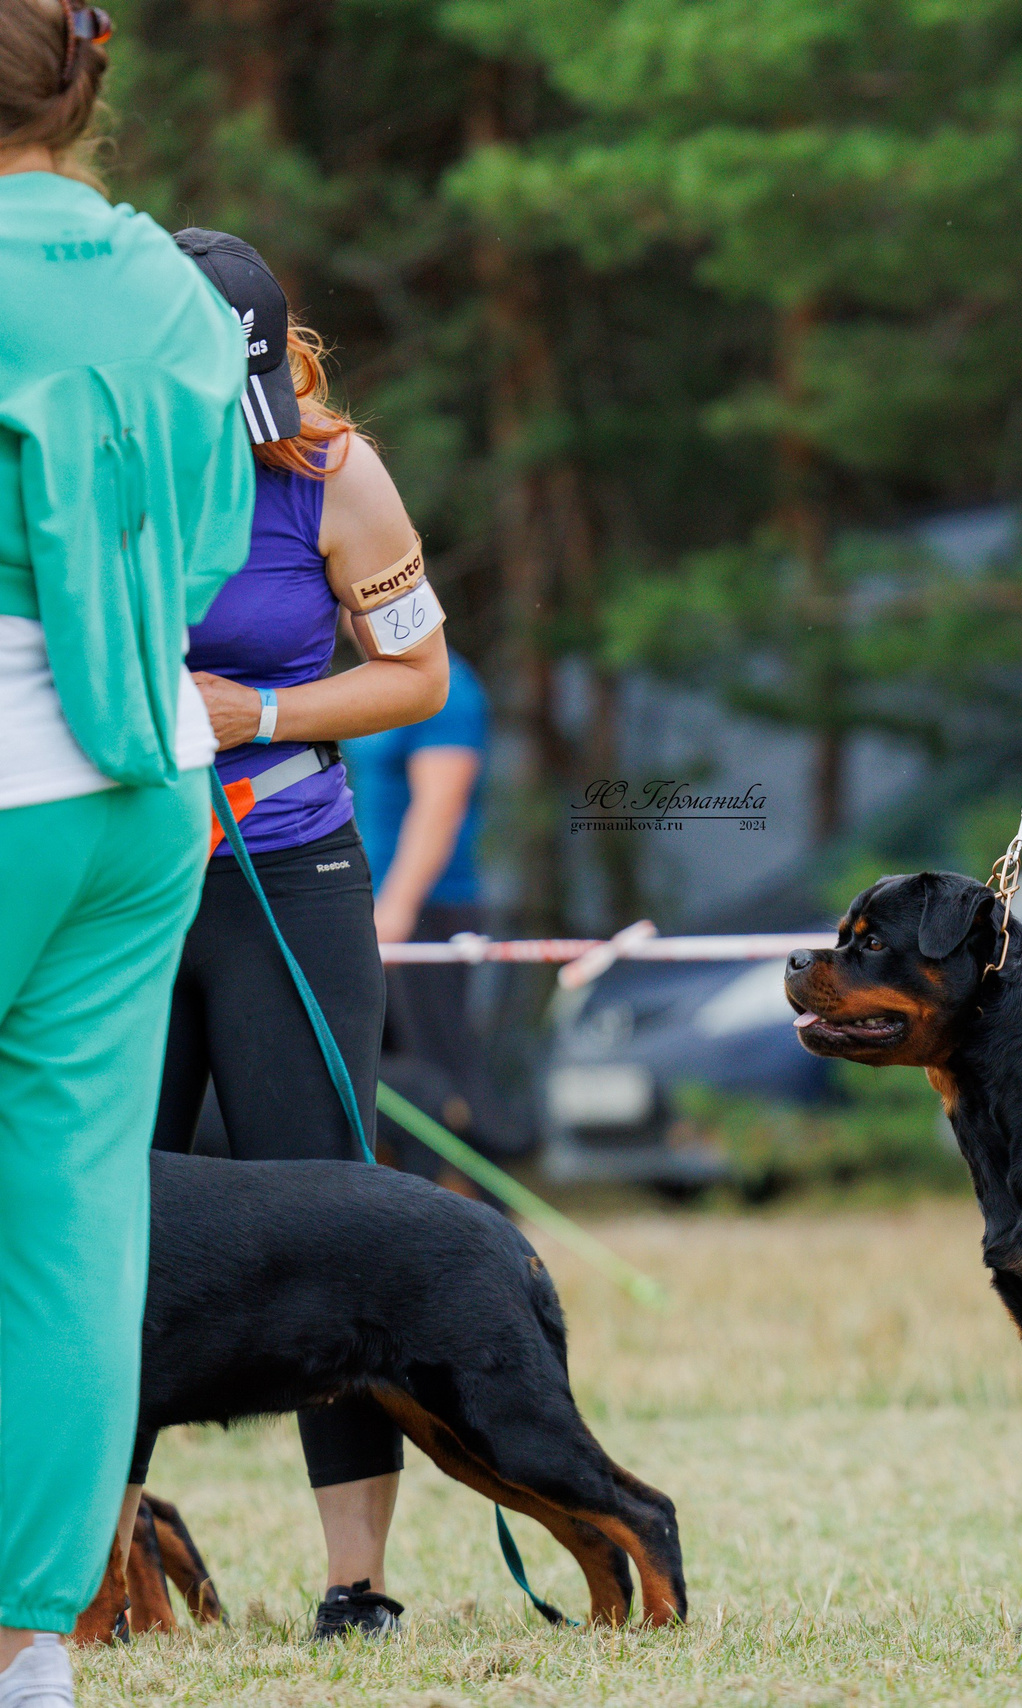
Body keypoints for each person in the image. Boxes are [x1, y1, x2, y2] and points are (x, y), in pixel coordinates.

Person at [134, 230, 447, 1643]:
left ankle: (356, 1582)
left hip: (288, 867)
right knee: (99, 1211)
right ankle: (88, 1571)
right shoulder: (70, 461)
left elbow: (416, 676)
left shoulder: (331, 472)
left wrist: (257, 714)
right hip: (118, 885)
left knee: (330, 1203)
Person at [0, 5, 254, 1699]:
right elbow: (220, 532)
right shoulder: (170, 273)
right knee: (73, 1218)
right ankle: (34, 1645)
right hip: (150, 771)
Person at [348, 648, 522, 1165]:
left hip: (425, 911)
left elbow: (440, 806)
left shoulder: (447, 688)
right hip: (367, 903)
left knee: (442, 1070)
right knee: (385, 1077)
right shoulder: (369, 683)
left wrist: (396, 906)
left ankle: (493, 1207)